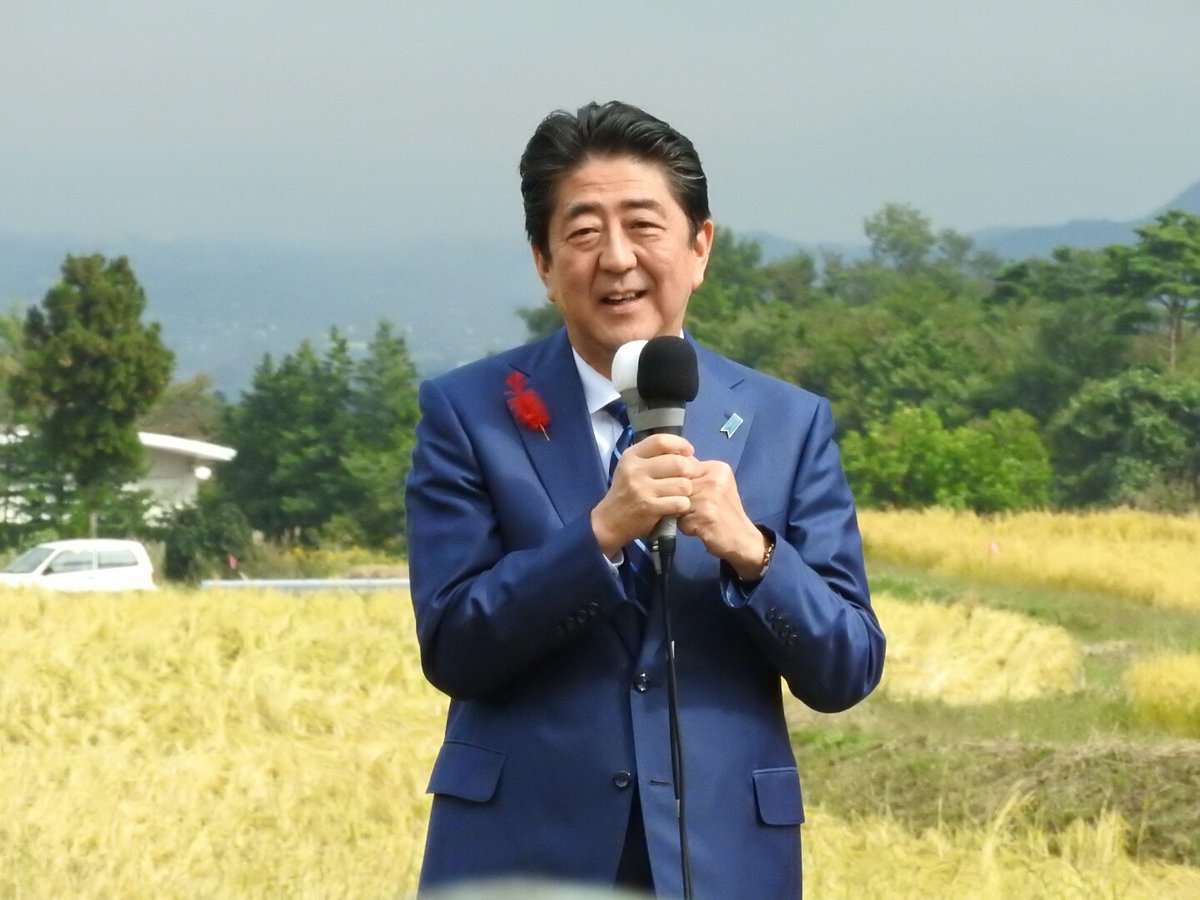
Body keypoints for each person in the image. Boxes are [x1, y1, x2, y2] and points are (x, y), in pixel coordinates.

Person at [405, 100, 885, 898]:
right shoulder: (469, 413)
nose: (617, 258)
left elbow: (848, 667)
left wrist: (755, 554)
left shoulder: (788, 423)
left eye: (643, 226)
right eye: (584, 232)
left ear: (700, 247)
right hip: (522, 856)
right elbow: (454, 646)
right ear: (544, 263)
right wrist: (599, 534)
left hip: (724, 858)